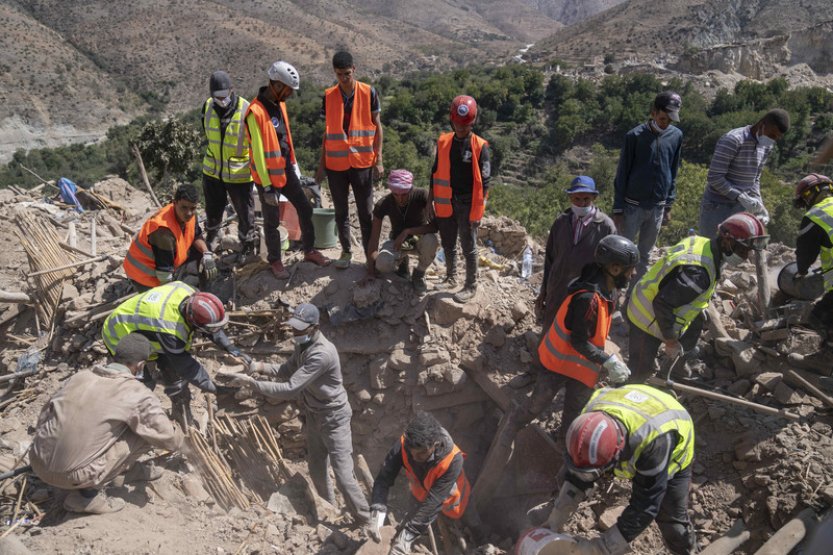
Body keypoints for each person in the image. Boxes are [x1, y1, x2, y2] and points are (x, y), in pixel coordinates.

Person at [470, 236, 639, 515]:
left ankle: (563, 467)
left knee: (573, 424)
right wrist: (608, 360)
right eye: (629, 269)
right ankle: (511, 427)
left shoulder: (605, 290)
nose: (632, 274)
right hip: (558, 365)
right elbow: (578, 342)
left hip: (581, 372)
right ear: (615, 268)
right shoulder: (588, 297)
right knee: (534, 407)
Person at [229, 303, 370, 524]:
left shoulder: (321, 354)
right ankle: (330, 508)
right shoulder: (303, 346)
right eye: (293, 328)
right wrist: (258, 366)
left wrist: (254, 384)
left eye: (299, 329)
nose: (294, 333)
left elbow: (290, 388)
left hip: (334, 418)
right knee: (316, 468)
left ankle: (365, 519)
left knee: (343, 475)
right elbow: (286, 370)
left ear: (314, 328)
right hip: (315, 415)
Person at [30, 333, 183, 514]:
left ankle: (124, 472)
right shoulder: (135, 392)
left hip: (38, 461)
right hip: (73, 475)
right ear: (140, 365)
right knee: (144, 433)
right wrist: (181, 437)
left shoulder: (80, 377)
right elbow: (168, 438)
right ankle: (87, 498)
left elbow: (44, 416)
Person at [544, 384, 695, 555]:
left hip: (670, 439)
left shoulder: (655, 443)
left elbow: (645, 506)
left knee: (671, 522)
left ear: (616, 455)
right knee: (573, 472)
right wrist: (556, 518)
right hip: (632, 405)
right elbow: (577, 473)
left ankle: (685, 550)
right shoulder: (589, 418)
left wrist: (601, 548)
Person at [627, 212, 768, 382]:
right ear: (727, 241)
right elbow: (663, 303)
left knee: (698, 320)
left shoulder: (703, 243)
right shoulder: (699, 274)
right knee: (640, 371)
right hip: (645, 316)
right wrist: (670, 341)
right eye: (743, 250)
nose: (746, 257)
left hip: (656, 296)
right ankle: (630, 389)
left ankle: (675, 368)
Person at [102, 281, 246, 428]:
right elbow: (186, 366)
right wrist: (212, 387)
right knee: (143, 383)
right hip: (119, 334)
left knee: (173, 373)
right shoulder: (170, 330)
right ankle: (126, 420)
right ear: (192, 321)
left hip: (148, 330)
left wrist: (229, 346)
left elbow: (208, 325)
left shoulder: (190, 293)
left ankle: (181, 409)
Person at [245, 60, 329, 278]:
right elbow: (258, 153)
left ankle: (309, 250)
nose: (291, 94)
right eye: (289, 90)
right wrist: (266, 187)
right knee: (272, 222)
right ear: (277, 85)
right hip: (267, 177)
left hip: (285, 170)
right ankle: (275, 261)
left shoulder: (280, 105)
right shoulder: (255, 112)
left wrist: (293, 165)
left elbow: (285, 139)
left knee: (305, 208)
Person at [315, 51, 384, 269]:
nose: (344, 78)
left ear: (354, 69)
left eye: (346, 73)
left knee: (365, 212)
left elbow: (378, 126)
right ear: (334, 73)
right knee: (341, 211)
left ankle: (369, 253)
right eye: (339, 74)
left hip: (362, 162)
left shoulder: (368, 92)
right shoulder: (328, 96)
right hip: (336, 165)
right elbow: (327, 133)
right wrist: (321, 165)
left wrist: (379, 158)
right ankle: (345, 252)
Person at [368, 411, 470, 555]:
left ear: (435, 444)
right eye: (411, 453)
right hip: (421, 493)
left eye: (421, 453)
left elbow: (434, 501)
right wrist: (377, 509)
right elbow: (384, 477)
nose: (415, 458)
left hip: (452, 499)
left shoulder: (454, 460)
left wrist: (409, 535)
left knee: (468, 521)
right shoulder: (406, 444)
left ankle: (477, 536)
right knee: (414, 518)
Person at [613, 91, 683, 285]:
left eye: (670, 120)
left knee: (645, 254)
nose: (665, 123)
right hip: (632, 206)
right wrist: (618, 208)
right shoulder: (634, 136)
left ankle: (635, 295)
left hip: (657, 207)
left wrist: (668, 204)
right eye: (662, 118)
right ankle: (615, 291)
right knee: (624, 251)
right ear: (653, 112)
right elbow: (622, 173)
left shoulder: (676, 136)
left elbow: (673, 170)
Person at [430, 95, 491, 303]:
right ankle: (450, 277)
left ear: (473, 124)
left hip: (467, 203)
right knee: (448, 242)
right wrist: (431, 199)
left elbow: (485, 183)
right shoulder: (444, 142)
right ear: (451, 120)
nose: (462, 128)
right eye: (458, 124)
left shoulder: (480, 146)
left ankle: (471, 285)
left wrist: (478, 212)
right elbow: (435, 171)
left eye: (466, 125)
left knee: (468, 246)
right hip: (446, 200)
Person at [535, 175, 617, 331]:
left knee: (577, 334)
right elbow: (550, 259)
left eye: (586, 199)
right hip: (558, 288)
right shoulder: (561, 222)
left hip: (586, 293)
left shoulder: (606, 227)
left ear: (594, 197)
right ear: (570, 197)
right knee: (551, 331)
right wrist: (544, 290)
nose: (581, 203)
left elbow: (612, 269)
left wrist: (608, 301)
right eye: (576, 199)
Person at [698, 109, 790, 236]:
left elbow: (755, 177)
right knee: (711, 248)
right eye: (772, 135)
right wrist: (739, 195)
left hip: (741, 208)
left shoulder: (767, 146)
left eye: (777, 138)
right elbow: (715, 177)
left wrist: (758, 203)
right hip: (717, 206)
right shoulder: (733, 140)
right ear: (762, 124)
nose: (772, 140)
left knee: (736, 250)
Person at [200, 70, 257, 257]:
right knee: (213, 209)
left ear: (232, 90)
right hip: (213, 172)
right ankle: (212, 241)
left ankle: (247, 245)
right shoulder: (207, 107)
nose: (222, 100)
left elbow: (256, 143)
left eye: (225, 96)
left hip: (239, 174)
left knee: (244, 214)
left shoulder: (246, 110)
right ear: (211, 94)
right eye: (218, 97)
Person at [123, 184, 217, 293]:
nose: (189, 213)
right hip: (143, 274)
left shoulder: (190, 216)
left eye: (193, 208)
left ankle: (205, 292)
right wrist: (171, 294)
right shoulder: (163, 230)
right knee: (159, 305)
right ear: (175, 202)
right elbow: (164, 274)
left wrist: (206, 254)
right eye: (184, 207)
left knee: (202, 252)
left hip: (164, 262)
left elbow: (196, 235)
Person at [365, 169, 438, 294]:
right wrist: (371, 272)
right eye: (395, 194)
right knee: (382, 264)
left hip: (419, 238)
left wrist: (407, 231)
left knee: (432, 241)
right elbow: (374, 240)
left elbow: (435, 226)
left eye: (404, 194)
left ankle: (418, 275)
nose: (400, 198)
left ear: (410, 189)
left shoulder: (421, 195)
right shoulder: (383, 204)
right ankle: (403, 267)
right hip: (397, 242)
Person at [789, 174, 833, 354]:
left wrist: (801, 272)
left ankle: (826, 361)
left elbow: (805, 255)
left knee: (819, 317)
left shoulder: (816, 215)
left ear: (809, 195)